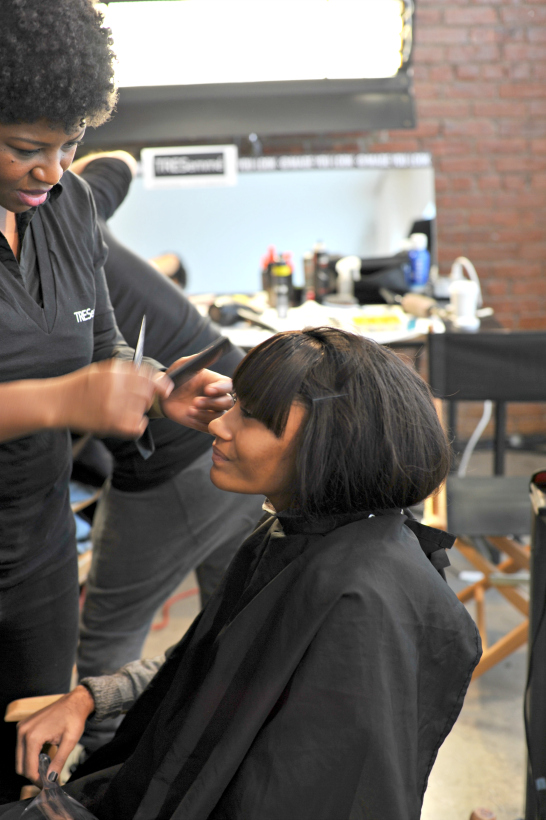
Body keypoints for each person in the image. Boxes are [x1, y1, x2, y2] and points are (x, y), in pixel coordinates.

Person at [14, 329, 482, 820]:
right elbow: (224, 661)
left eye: (253, 418)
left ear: (332, 445)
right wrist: (92, 697)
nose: (220, 425)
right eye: (235, 403)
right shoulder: (290, 530)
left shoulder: (356, 601)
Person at [0, 0, 232, 801]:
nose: (52, 170)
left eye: (70, 145)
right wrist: (63, 398)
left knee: (27, 776)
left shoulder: (66, 210)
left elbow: (101, 344)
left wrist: (153, 394)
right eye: (25, 148)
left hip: (34, 556)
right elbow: (70, 382)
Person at [66, 151, 263, 753]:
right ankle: (212, 769)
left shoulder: (48, 207)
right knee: (232, 630)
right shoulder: (74, 201)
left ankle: (100, 782)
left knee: (104, 646)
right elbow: (119, 161)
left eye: (54, 151)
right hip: (232, 397)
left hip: (186, 437)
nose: (44, 168)